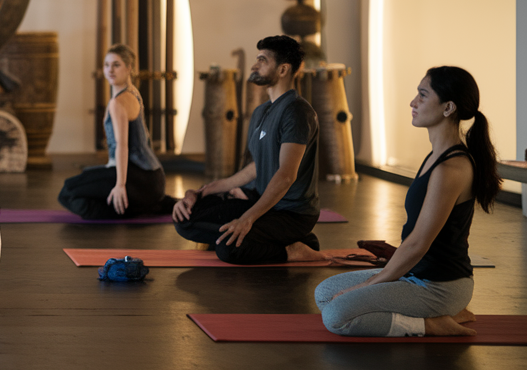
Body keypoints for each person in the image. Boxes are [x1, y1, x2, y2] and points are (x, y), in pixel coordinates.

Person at [315, 66, 500, 337]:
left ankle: (432, 323)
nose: (413, 103)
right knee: (324, 293)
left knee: (336, 316)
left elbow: (417, 243)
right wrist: (377, 282)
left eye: (423, 96)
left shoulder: (452, 169)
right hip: (414, 275)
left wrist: (367, 286)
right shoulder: (434, 158)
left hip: (439, 286)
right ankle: (438, 314)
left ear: (448, 108)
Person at [172, 35, 326, 264]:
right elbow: (255, 168)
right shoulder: (261, 112)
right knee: (185, 217)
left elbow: (285, 176)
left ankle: (292, 251)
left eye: (262, 60)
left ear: (283, 69)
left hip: (291, 213)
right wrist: (201, 192)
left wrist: (247, 218)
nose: (255, 65)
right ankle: (289, 240)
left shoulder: (296, 112)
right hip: (263, 203)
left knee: (227, 249)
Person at [58, 44, 168, 219]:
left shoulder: (119, 103)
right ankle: (145, 205)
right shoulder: (133, 93)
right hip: (152, 179)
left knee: (67, 192)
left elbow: (122, 146)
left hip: (142, 180)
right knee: (87, 175)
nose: (110, 70)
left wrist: (120, 185)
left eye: (116, 65)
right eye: (106, 65)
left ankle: (129, 208)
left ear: (129, 68)